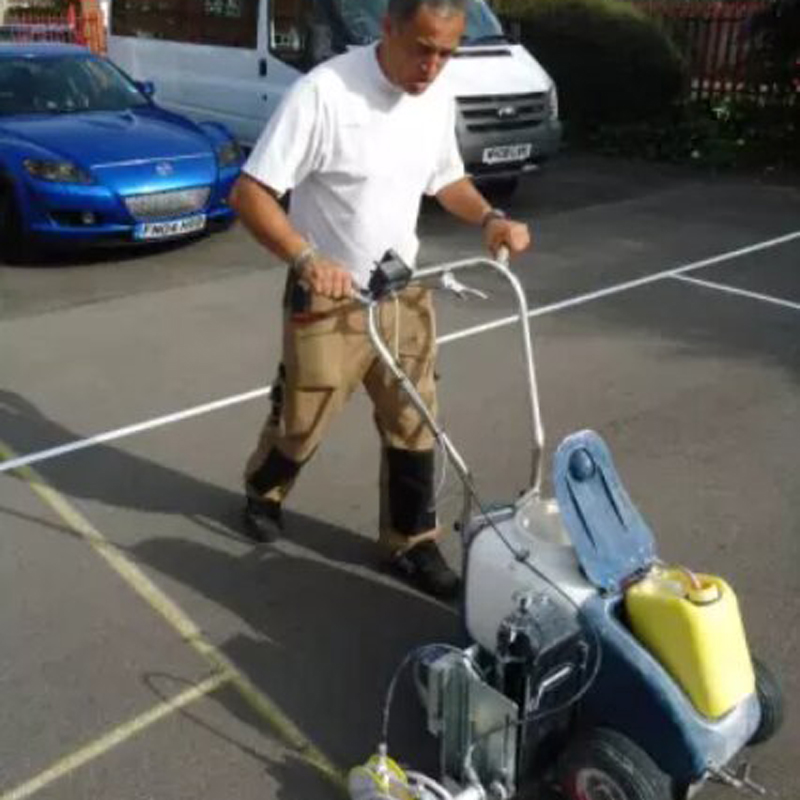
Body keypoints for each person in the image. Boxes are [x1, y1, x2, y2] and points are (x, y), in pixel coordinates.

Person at [229, 0, 531, 599]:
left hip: (402, 290)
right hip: (327, 295)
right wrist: (306, 259)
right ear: (387, 29)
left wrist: (489, 217)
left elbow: (446, 178)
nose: (432, 67)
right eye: (423, 49)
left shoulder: (435, 96)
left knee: (416, 421)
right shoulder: (325, 93)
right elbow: (251, 193)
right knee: (302, 421)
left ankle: (410, 542)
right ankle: (263, 491)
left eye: (446, 54)